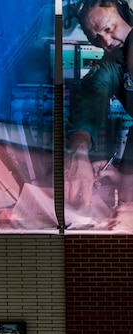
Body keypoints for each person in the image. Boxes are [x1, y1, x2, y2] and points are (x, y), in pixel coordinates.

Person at [67, 0, 133, 210]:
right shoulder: (111, 65)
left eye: (108, 29)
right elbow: (89, 106)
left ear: (125, 14)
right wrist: (79, 153)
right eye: (96, 38)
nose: (106, 41)